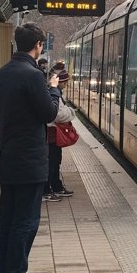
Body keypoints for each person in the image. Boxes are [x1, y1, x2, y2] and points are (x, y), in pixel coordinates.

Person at [0, 22, 61, 273]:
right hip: (29, 159)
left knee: (7, 218)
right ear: (38, 45)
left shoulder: (1, 74)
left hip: (6, 156)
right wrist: (53, 88)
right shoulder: (33, 76)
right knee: (26, 220)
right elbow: (48, 113)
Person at [44, 69, 76, 200]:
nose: (66, 84)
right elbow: (58, 114)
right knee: (52, 161)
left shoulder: (52, 92)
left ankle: (56, 187)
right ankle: (49, 189)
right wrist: (71, 112)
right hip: (51, 133)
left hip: (51, 133)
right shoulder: (54, 94)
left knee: (55, 161)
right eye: (65, 82)